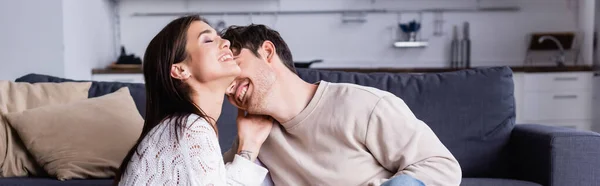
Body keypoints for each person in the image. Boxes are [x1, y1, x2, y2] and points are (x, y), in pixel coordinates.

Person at [222, 24, 462, 186]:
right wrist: (248, 149)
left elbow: (440, 165)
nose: (228, 88)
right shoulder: (253, 139)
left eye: (234, 63)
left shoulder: (362, 105)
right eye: (222, 82)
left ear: (266, 51)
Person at [113, 15, 274, 186]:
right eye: (207, 40)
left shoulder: (179, 127)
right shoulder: (190, 129)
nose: (225, 42)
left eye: (219, 37)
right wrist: (248, 148)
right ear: (180, 70)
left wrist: (248, 147)